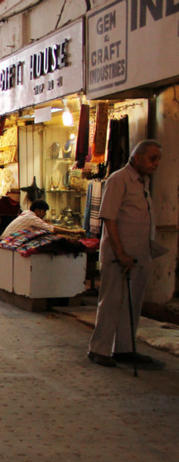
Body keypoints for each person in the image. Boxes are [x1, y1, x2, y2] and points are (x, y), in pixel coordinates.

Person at [88, 140, 164, 368]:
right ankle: (99, 349)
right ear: (137, 157)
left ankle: (125, 348)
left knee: (133, 304)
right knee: (111, 301)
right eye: (152, 159)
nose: (156, 164)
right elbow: (109, 218)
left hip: (139, 253)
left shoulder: (143, 182)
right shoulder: (118, 180)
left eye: (158, 159)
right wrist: (120, 252)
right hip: (118, 255)